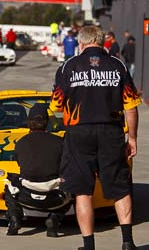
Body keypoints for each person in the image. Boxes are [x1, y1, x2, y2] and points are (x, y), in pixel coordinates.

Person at [50, 25, 141, 250]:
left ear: (80, 44)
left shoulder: (68, 66)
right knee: (120, 188)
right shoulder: (117, 65)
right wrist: (133, 138)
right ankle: (127, 242)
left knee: (82, 191)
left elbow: (56, 106)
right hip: (112, 131)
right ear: (102, 43)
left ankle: (89, 245)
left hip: (79, 132)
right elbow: (131, 107)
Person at [4, 103, 70, 237]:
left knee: (9, 183)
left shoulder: (21, 143)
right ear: (47, 123)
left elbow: (19, 163)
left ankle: (14, 220)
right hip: (54, 197)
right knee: (71, 183)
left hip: (26, 195)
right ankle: (54, 219)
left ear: (29, 123)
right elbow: (66, 165)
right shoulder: (60, 142)